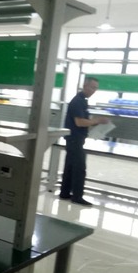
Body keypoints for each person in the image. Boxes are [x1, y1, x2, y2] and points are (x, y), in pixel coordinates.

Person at [59, 77, 109, 206]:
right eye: (92, 87)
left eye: (96, 88)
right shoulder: (78, 101)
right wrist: (97, 121)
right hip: (74, 139)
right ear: (85, 85)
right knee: (79, 168)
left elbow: (82, 121)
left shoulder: (82, 101)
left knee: (70, 167)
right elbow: (79, 122)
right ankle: (77, 197)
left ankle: (64, 193)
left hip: (74, 139)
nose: (93, 90)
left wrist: (93, 122)